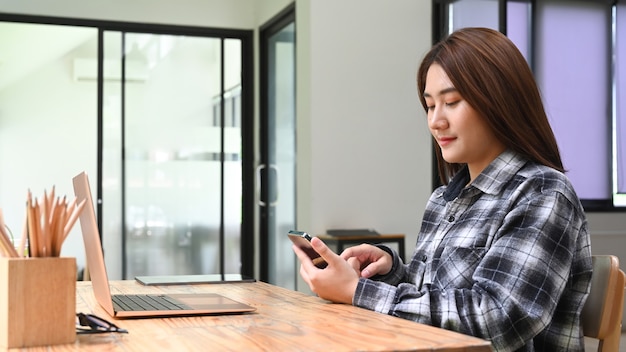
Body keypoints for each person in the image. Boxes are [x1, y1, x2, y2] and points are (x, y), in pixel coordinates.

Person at [292, 27, 592, 351]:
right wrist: (392, 272)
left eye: (450, 102)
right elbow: (439, 298)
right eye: (430, 105)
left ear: (500, 102)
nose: (436, 121)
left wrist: (357, 292)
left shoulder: (542, 194)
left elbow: (499, 318)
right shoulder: (443, 199)